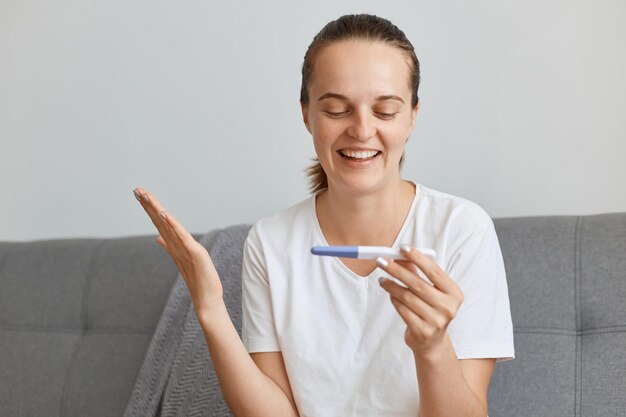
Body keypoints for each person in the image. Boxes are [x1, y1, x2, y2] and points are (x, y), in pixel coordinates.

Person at [133, 13, 514, 417]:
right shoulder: (270, 241)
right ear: (306, 113)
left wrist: (432, 346)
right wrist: (209, 307)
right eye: (336, 110)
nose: (362, 130)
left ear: (412, 117)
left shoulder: (462, 230)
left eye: (385, 111)